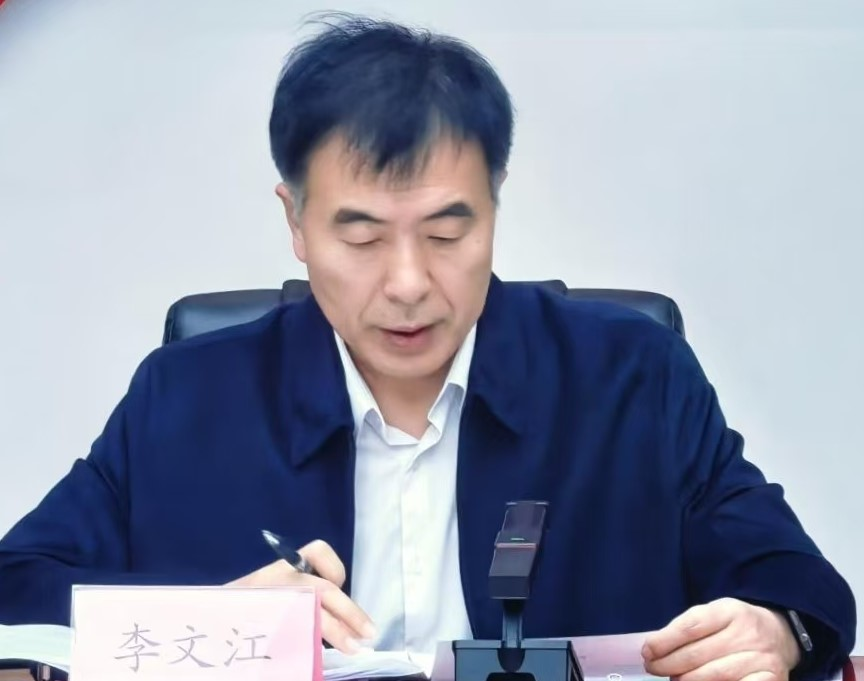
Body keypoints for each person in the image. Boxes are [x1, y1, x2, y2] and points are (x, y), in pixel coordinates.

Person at [0, 14, 855, 681]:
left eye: (447, 232)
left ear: (495, 204)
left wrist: (775, 628)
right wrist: (219, 625)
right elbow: (17, 585)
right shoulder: (188, 396)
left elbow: (799, 584)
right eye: (362, 236)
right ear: (296, 222)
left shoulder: (632, 377)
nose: (408, 283)